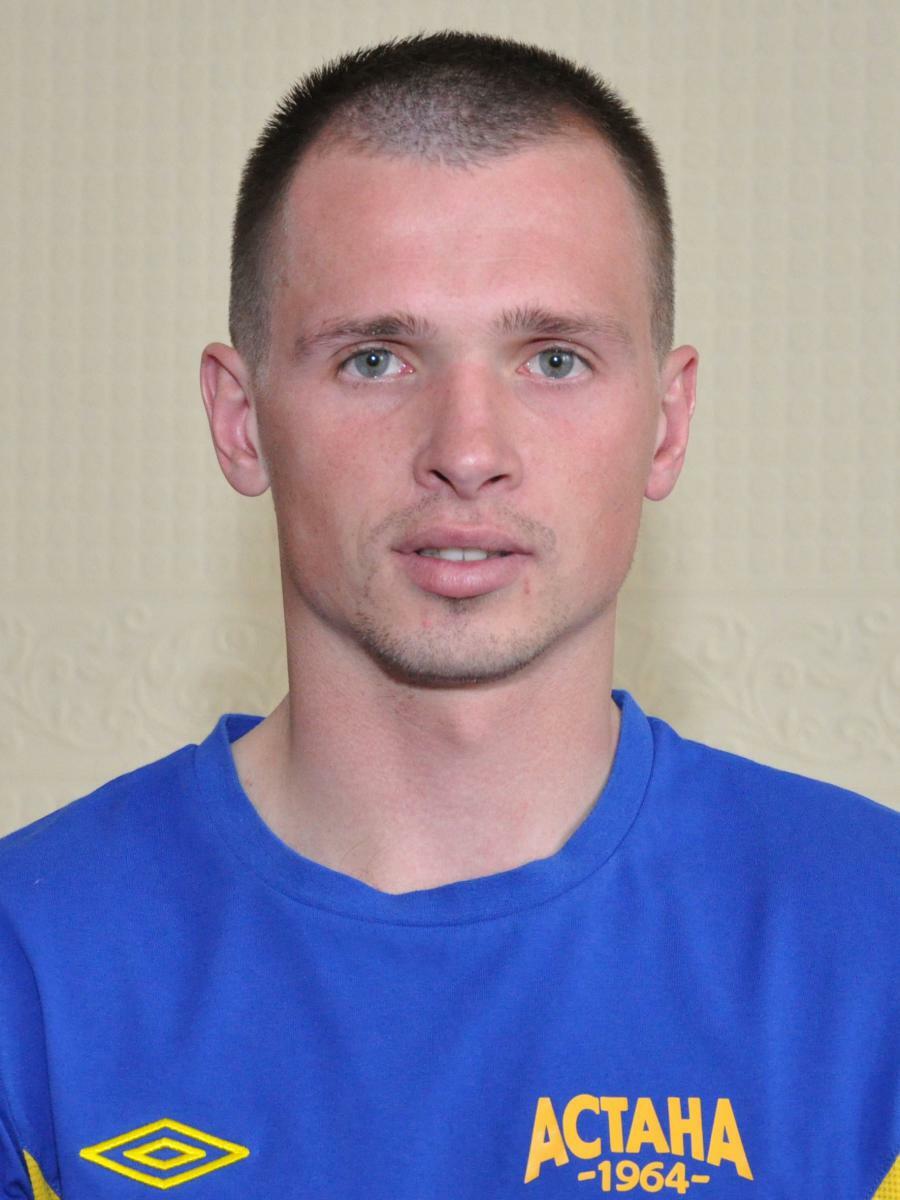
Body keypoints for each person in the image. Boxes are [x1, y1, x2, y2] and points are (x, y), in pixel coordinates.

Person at [1, 30, 897, 1200]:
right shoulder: (30, 971)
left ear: (667, 424)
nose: (467, 451)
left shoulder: (875, 945)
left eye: (554, 360)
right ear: (240, 420)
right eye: (376, 359)